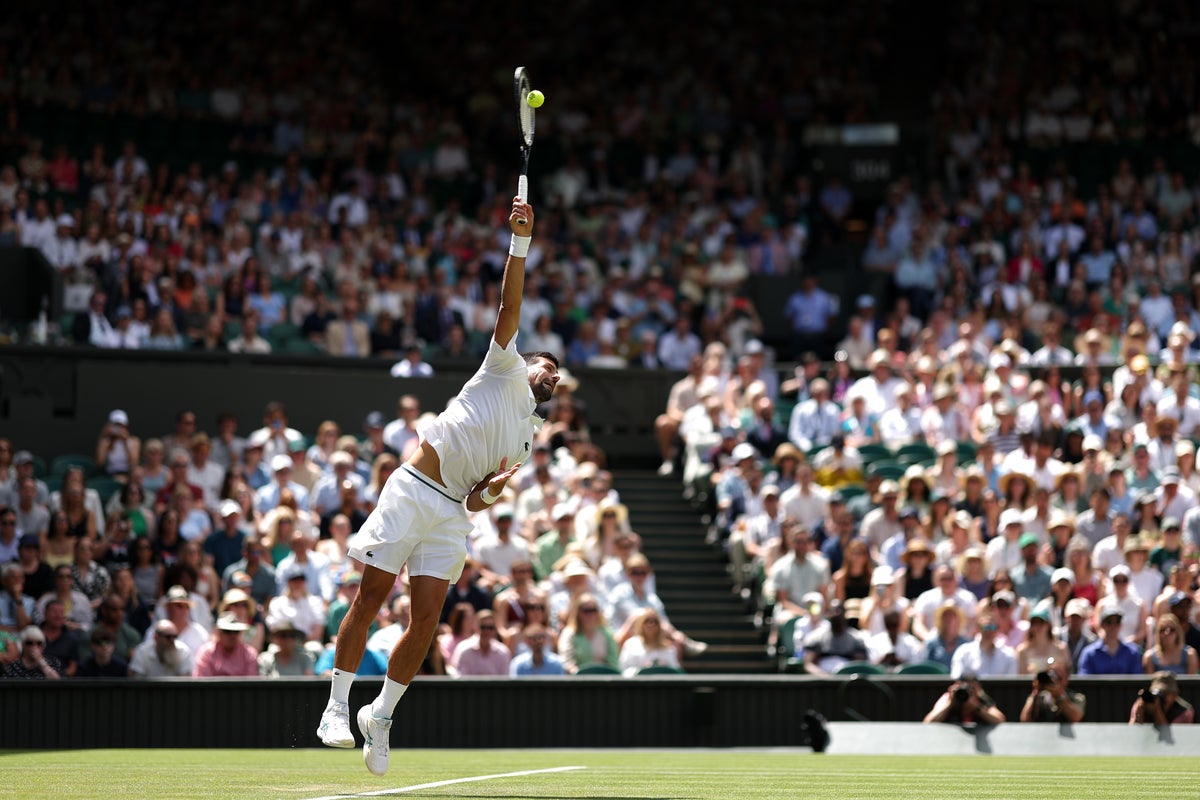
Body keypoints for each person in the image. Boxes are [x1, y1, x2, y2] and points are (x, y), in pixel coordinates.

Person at [317, 199, 556, 776]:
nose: (552, 375)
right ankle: (336, 706)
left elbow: (477, 497)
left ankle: (381, 716)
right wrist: (519, 243)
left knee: (426, 619)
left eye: (558, 376)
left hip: (453, 514)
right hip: (413, 489)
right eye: (546, 367)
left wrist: (492, 492)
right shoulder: (501, 365)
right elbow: (510, 302)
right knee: (371, 596)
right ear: (525, 365)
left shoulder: (526, 441)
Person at [802, 599, 868, 676]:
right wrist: (825, 677)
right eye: (833, 611)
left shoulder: (857, 638)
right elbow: (809, 664)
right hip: (823, 680)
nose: (836, 614)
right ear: (828, 613)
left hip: (847, 679)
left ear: (845, 614)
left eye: (839, 610)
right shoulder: (815, 637)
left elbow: (860, 664)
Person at [951, 608, 1018, 678]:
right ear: (978, 628)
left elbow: (1011, 682)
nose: (989, 631)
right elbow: (957, 677)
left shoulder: (1009, 655)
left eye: (993, 627)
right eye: (986, 627)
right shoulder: (963, 651)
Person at [1078, 607, 1143, 675]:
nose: (1113, 626)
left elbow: (1137, 678)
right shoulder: (1089, 653)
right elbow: (1085, 679)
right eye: (1109, 622)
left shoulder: (1132, 652)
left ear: (1121, 625)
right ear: (1102, 625)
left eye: (1117, 622)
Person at [193, 614, 259, 677]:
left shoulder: (249, 654)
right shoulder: (206, 653)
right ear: (219, 633)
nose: (232, 636)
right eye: (227, 631)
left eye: (236, 632)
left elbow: (251, 683)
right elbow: (202, 682)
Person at [923, 676, 1006, 725]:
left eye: (971, 688)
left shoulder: (982, 698)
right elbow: (929, 722)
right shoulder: (948, 698)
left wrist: (977, 708)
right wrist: (950, 703)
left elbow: (1000, 721)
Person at [1019, 663, 1085, 723]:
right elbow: (1025, 720)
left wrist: (1059, 696)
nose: (1054, 680)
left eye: (1058, 677)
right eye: (1051, 676)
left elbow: (1076, 718)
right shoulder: (1040, 697)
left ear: (1066, 679)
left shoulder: (1076, 697)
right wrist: (1035, 692)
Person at [128, 620, 194, 677]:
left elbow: (186, 680)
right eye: (168, 637)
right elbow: (136, 680)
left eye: (175, 636)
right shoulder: (142, 652)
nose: (172, 641)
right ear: (156, 637)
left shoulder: (183, 652)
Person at [1130, 671, 1195, 725]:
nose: (1162, 697)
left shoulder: (1185, 711)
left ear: (1175, 695)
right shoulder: (1143, 702)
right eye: (1159, 692)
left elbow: (1172, 737)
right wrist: (1140, 711)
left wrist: (1157, 710)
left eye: (1166, 693)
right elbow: (1132, 731)